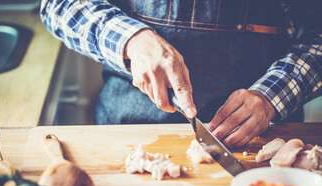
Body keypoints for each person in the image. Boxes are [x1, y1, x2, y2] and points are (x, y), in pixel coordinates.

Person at [40, 0, 322, 147]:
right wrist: (130, 39)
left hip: (263, 137)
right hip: (125, 132)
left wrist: (272, 95)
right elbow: (58, 5)